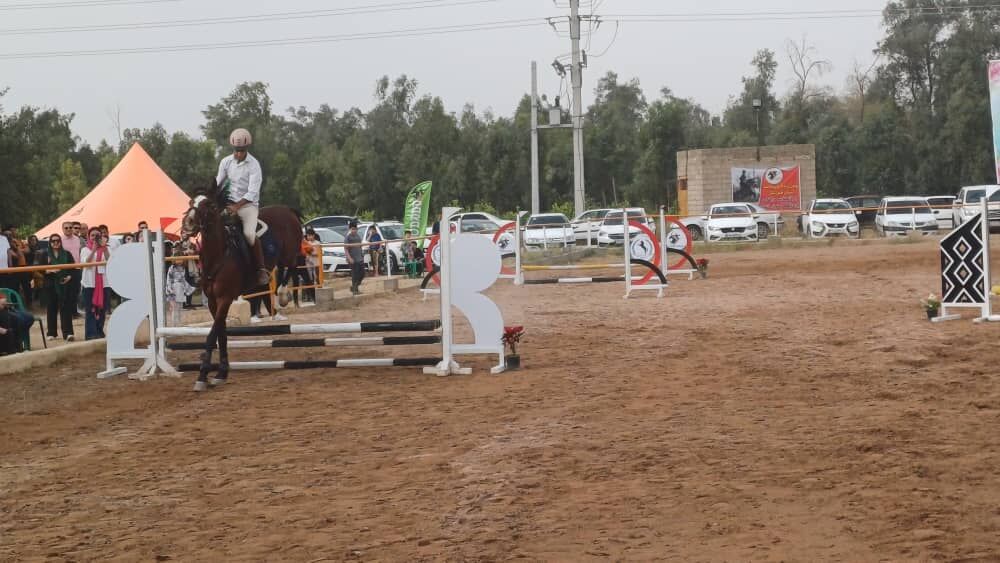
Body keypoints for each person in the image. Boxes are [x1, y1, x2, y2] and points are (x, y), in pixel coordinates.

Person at [216, 127, 269, 286]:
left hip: (248, 206)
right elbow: (218, 182)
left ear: (247, 148)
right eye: (236, 150)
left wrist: (237, 206)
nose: (238, 153)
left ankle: (260, 270)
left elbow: (252, 192)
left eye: (241, 150)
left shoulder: (254, 165)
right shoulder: (225, 162)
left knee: (249, 234)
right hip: (229, 204)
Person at [80, 226, 111, 340]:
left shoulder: (106, 248)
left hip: (104, 284)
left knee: (102, 310)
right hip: (90, 284)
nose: (95, 237)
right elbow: (86, 262)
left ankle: (99, 331)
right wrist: (93, 249)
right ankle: (91, 334)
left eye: (97, 235)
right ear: (88, 237)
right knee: (90, 310)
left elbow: (110, 261)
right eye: (92, 235)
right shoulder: (85, 249)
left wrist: (104, 248)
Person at [43, 234, 75, 342]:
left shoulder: (67, 254)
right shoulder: (44, 254)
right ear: (50, 242)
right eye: (53, 241)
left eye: (57, 241)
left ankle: (68, 333)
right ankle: (51, 333)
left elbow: (73, 268)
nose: (55, 243)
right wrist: (49, 270)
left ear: (61, 242)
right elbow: (37, 269)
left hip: (64, 284)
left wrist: (69, 277)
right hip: (50, 284)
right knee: (51, 308)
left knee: (66, 309)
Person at [345, 221, 365, 295]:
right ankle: (355, 290)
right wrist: (349, 258)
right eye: (352, 229)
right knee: (355, 274)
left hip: (359, 258)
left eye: (355, 229)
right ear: (350, 229)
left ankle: (354, 286)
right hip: (353, 259)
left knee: (362, 274)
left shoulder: (358, 236)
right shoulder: (348, 237)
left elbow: (360, 247)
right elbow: (346, 249)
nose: (354, 230)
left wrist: (362, 256)